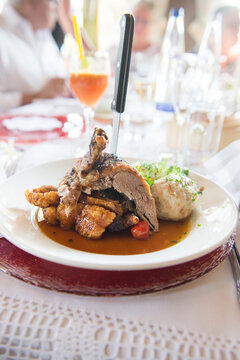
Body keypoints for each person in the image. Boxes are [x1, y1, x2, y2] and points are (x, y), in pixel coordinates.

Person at [0, 0, 71, 112]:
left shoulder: (43, 32)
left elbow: (61, 75)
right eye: (53, 2)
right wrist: (35, 96)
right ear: (28, 3)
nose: (58, 8)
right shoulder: (3, 34)